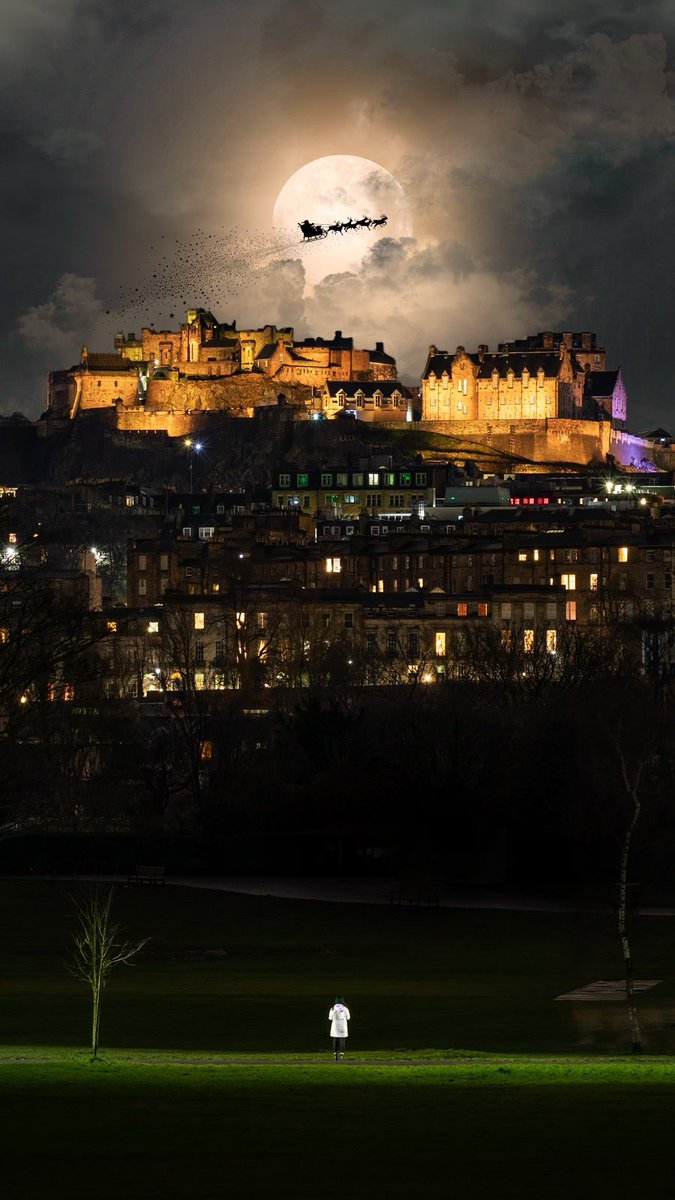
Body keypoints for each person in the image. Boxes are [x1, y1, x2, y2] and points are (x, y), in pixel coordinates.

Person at [329, 995, 350, 1061]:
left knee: (335, 1041)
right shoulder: (345, 1009)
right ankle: (342, 1055)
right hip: (343, 1027)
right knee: (342, 1041)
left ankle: (335, 1055)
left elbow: (330, 1018)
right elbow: (348, 1018)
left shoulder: (332, 1008)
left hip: (335, 1027)